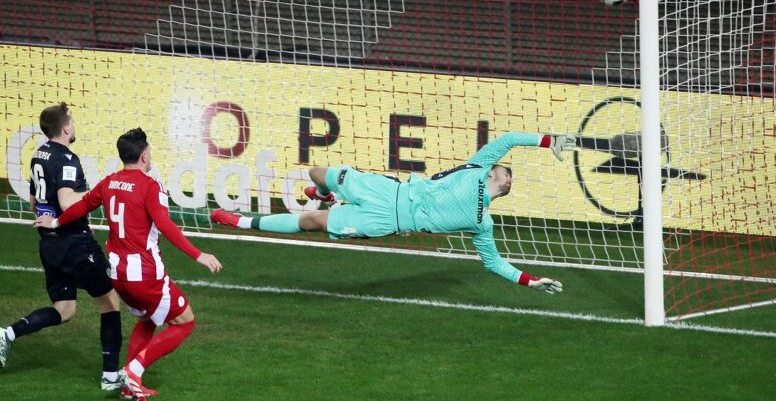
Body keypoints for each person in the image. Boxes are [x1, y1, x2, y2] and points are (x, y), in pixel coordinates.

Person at [211, 132, 575, 293]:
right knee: (317, 172)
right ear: (494, 171)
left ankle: (240, 220)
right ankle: (325, 193)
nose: (510, 177)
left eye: (511, 179)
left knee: (312, 222)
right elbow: (509, 138)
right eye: (507, 171)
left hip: (388, 221)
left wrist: (529, 280)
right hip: (388, 190)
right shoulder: (479, 166)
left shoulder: (483, 222)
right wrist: (549, 141)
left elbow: (493, 263)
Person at [34, 127, 223, 401]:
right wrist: (198, 254)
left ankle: (128, 386)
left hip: (117, 273)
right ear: (144, 156)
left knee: (147, 319)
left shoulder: (110, 182)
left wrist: (55, 222)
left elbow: (82, 205)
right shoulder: (151, 186)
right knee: (185, 322)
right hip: (145, 274)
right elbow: (165, 225)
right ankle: (133, 372)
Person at [0, 102, 123, 392]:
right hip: (75, 244)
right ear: (65, 128)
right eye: (71, 121)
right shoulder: (67, 159)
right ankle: (111, 377)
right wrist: (100, 193)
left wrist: (53, 221)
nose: (74, 126)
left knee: (65, 309)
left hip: (50, 244)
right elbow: (67, 201)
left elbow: (34, 202)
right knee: (110, 303)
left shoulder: (39, 154)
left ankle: (8, 333)